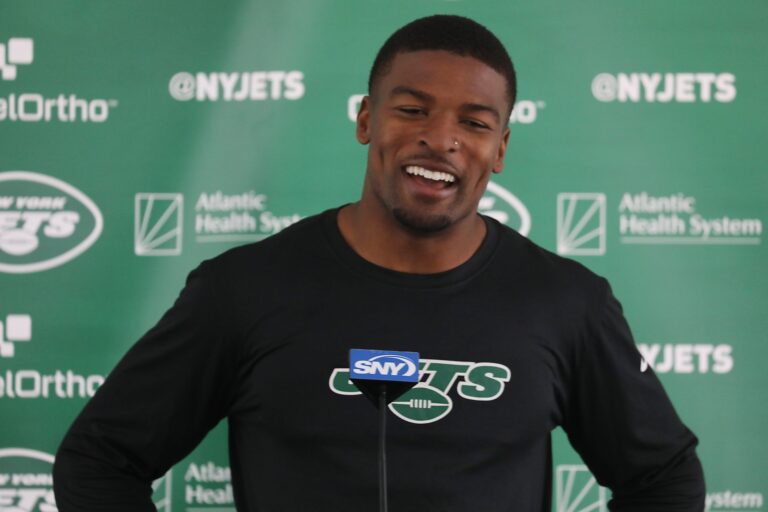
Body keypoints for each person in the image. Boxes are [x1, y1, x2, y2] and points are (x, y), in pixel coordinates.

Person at [53, 14, 705, 511]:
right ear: (367, 119)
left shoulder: (565, 302)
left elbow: (664, 478)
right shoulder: (244, 289)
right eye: (412, 109)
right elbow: (99, 460)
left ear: (501, 149)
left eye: (474, 123)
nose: (441, 139)